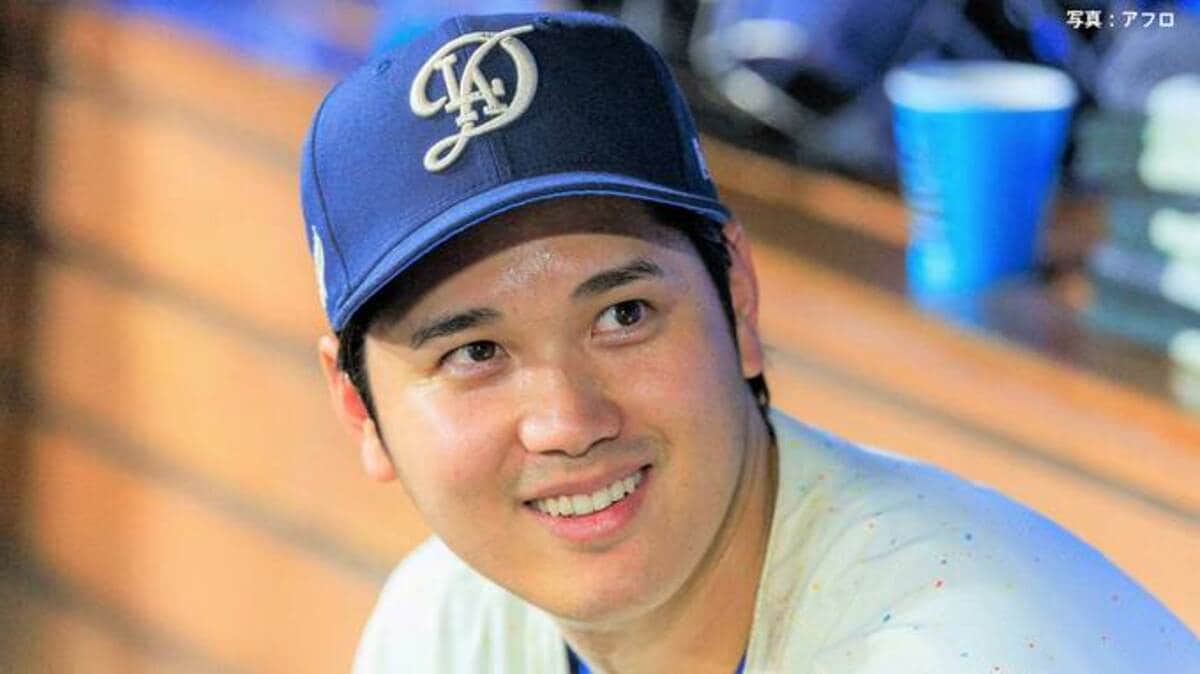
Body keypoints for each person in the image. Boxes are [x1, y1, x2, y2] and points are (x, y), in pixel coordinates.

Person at [299, 12, 1199, 673]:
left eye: (623, 315)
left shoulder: (967, 650)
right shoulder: (445, 626)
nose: (568, 421)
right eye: (474, 354)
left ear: (736, 298)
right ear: (358, 407)